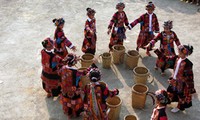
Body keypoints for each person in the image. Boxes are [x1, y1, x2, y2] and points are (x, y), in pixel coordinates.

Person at [167, 44, 196, 113]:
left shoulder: (188, 64)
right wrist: (172, 77)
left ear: (185, 54)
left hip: (181, 84)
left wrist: (191, 90)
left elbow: (190, 77)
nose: (178, 53)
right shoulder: (177, 59)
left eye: (180, 53)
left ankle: (179, 107)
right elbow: (175, 70)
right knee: (170, 91)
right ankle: (168, 101)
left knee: (181, 96)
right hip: (174, 81)